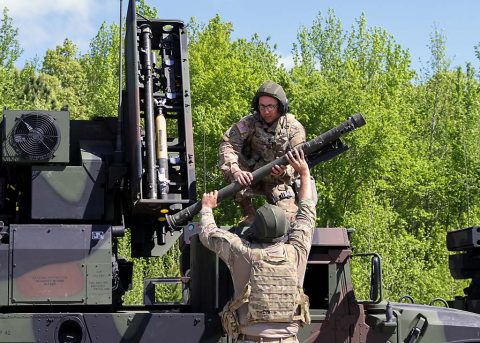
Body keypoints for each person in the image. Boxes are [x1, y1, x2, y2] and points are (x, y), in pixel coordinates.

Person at [199, 148, 316, 343]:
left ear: (255, 229)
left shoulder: (243, 253)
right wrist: (304, 173)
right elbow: (307, 209)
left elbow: (209, 234)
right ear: (285, 229)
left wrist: (207, 208)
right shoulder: (297, 251)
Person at [219, 81, 306, 224]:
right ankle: (248, 213)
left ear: (281, 106)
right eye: (262, 106)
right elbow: (228, 144)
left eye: (270, 106)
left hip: (279, 181)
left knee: (289, 221)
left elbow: (300, 161)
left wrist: (284, 172)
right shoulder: (249, 122)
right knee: (231, 166)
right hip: (250, 176)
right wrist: (236, 171)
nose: (266, 111)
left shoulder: (294, 128)